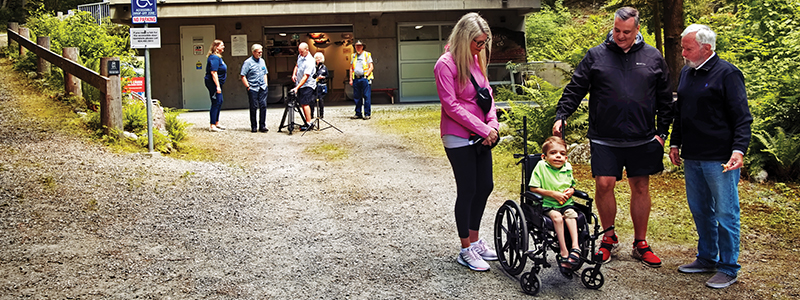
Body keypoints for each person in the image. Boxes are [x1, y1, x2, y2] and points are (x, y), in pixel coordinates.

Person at [552, 6, 673, 268]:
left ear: (637, 29)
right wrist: (562, 114)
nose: (620, 36)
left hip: (642, 137)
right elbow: (576, 87)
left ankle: (640, 243)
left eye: (626, 32)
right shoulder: (596, 55)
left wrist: (662, 134)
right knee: (605, 184)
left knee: (640, 186)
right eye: (617, 30)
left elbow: (665, 98)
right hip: (605, 136)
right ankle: (608, 238)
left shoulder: (653, 57)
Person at [669, 24, 752, 289]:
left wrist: (738, 151)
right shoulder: (686, 72)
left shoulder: (727, 74)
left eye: (687, 47)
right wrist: (675, 143)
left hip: (720, 158)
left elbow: (742, 118)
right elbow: (680, 112)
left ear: (706, 48)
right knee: (700, 209)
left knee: (726, 212)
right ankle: (707, 257)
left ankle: (728, 267)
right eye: (683, 47)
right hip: (692, 156)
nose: (683, 52)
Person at [434, 12, 499, 272]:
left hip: (482, 133)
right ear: (464, 38)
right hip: (458, 136)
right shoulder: (445, 64)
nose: (481, 48)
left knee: (485, 186)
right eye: (478, 43)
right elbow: (450, 106)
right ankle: (465, 249)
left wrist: (492, 124)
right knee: (468, 189)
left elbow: (488, 94)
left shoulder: (475, 59)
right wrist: (482, 128)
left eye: (484, 42)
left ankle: (475, 239)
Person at [528, 136, 580, 277]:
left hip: (565, 203)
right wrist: (553, 194)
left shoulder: (567, 167)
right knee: (557, 217)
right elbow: (533, 188)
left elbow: (572, 185)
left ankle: (575, 247)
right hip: (547, 204)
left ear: (566, 157)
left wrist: (571, 191)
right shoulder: (541, 166)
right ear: (544, 157)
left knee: (571, 214)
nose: (558, 156)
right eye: (553, 153)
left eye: (562, 154)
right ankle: (564, 251)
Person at [240, 44, 269, 133]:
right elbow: (243, 75)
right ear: (253, 52)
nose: (260, 53)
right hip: (253, 87)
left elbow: (265, 73)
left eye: (261, 52)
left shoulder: (262, 61)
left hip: (262, 87)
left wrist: (266, 84)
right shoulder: (248, 62)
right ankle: (254, 126)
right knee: (253, 107)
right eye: (258, 52)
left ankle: (262, 125)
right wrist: (248, 86)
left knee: (263, 106)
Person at [291, 42, 316, 131]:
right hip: (299, 83)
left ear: (307, 50)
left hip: (307, 84)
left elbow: (306, 76)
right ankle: (306, 121)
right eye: (299, 52)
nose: (300, 53)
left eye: (302, 52)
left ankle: (308, 122)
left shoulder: (310, 61)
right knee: (302, 102)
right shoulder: (300, 57)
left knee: (305, 103)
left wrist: (297, 87)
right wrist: (294, 74)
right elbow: (297, 66)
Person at [204, 39, 228, 132]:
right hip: (213, 83)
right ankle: (212, 125)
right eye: (222, 45)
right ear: (216, 47)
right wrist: (217, 86)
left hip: (218, 83)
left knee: (220, 101)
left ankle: (216, 122)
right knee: (216, 102)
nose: (223, 47)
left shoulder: (218, 57)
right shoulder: (214, 58)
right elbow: (214, 72)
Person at [349, 40, 374, 120]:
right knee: (357, 97)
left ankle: (367, 114)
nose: (358, 47)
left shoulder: (367, 55)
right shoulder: (353, 56)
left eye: (359, 46)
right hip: (356, 79)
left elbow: (371, 66)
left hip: (364, 79)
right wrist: (350, 79)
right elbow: (351, 68)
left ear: (363, 46)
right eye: (356, 46)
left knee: (366, 96)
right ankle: (358, 113)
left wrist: (366, 75)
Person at [312, 52, 328, 119]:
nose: (319, 60)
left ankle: (321, 114)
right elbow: (311, 76)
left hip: (321, 85)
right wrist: (316, 77)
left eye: (320, 58)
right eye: (317, 58)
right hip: (314, 85)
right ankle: (311, 114)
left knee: (321, 100)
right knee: (312, 100)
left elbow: (327, 75)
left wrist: (323, 77)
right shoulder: (313, 67)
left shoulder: (324, 67)